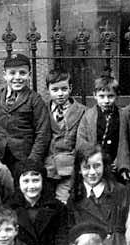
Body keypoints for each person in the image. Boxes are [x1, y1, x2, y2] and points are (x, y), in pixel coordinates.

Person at [0, 54, 51, 178]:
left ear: (29, 74)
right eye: (12, 73)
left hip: (24, 158)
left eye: (22, 73)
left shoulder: (35, 100)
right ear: (4, 74)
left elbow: (42, 133)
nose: (17, 77)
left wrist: (32, 161)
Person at [7, 159, 69, 245]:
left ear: (43, 181)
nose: (31, 186)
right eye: (26, 181)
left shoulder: (58, 208)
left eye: (36, 180)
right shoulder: (9, 209)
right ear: (18, 184)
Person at [69, 145, 129, 245]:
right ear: (79, 170)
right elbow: (73, 238)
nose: (92, 172)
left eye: (97, 166)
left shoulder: (119, 191)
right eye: (86, 167)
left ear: (104, 166)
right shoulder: (74, 199)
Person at [44, 69, 86, 203]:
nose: (60, 94)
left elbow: (82, 143)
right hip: (47, 167)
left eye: (64, 89)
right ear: (48, 90)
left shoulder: (82, 111)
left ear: (70, 88)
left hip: (69, 167)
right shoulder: (42, 109)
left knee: (64, 202)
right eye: (55, 90)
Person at [76, 76, 121, 164]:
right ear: (95, 95)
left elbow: (125, 143)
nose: (106, 100)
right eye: (102, 96)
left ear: (117, 96)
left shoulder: (122, 115)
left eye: (110, 96)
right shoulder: (88, 116)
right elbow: (81, 141)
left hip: (116, 163)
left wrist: (119, 161)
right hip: (95, 162)